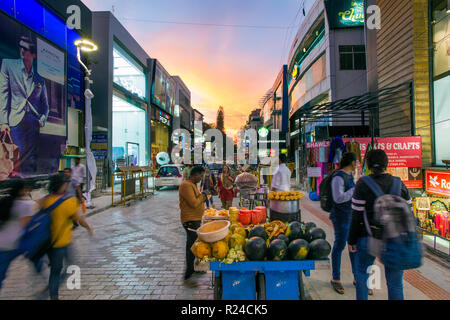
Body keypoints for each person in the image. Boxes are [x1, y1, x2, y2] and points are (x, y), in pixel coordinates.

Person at [349, 149, 411, 300]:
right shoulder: (399, 183)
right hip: (395, 239)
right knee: (395, 284)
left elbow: (356, 216)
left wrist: (351, 240)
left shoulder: (362, 184)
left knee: (362, 274)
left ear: (368, 166)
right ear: (386, 164)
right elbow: (409, 214)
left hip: (368, 238)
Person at [0, 34, 49, 175]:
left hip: (33, 122)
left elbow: (45, 106)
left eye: (26, 49)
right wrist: (3, 121)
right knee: (17, 157)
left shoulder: (39, 78)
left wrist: (42, 119)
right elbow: (3, 94)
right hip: (15, 120)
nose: (22, 51)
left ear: (33, 54)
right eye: (21, 47)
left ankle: (27, 186)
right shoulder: (8, 65)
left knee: (32, 159)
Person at [39, 173, 93, 300]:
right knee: (68, 266)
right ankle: (53, 289)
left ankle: (53, 291)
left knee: (55, 270)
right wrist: (89, 228)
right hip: (62, 242)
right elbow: (78, 219)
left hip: (48, 242)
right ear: (62, 185)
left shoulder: (45, 200)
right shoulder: (69, 201)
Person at [329, 152, 362, 295]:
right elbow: (338, 198)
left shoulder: (349, 176)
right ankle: (336, 278)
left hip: (351, 216)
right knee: (339, 246)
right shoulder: (338, 177)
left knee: (353, 246)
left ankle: (357, 277)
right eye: (356, 162)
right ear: (352, 163)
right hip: (341, 217)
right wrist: (354, 190)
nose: (357, 165)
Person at [0, 179, 41, 291]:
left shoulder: (5, 202)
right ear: (23, 190)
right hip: (18, 242)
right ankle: (43, 279)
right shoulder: (26, 205)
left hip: (3, 243)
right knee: (36, 257)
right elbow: (27, 226)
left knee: (1, 272)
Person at [179, 166, 207, 287]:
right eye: (200, 176)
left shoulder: (191, 184)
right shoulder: (186, 185)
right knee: (191, 247)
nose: (200, 179)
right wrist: (203, 196)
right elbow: (194, 203)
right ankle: (188, 275)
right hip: (190, 220)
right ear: (195, 174)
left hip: (194, 220)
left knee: (193, 245)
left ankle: (194, 269)